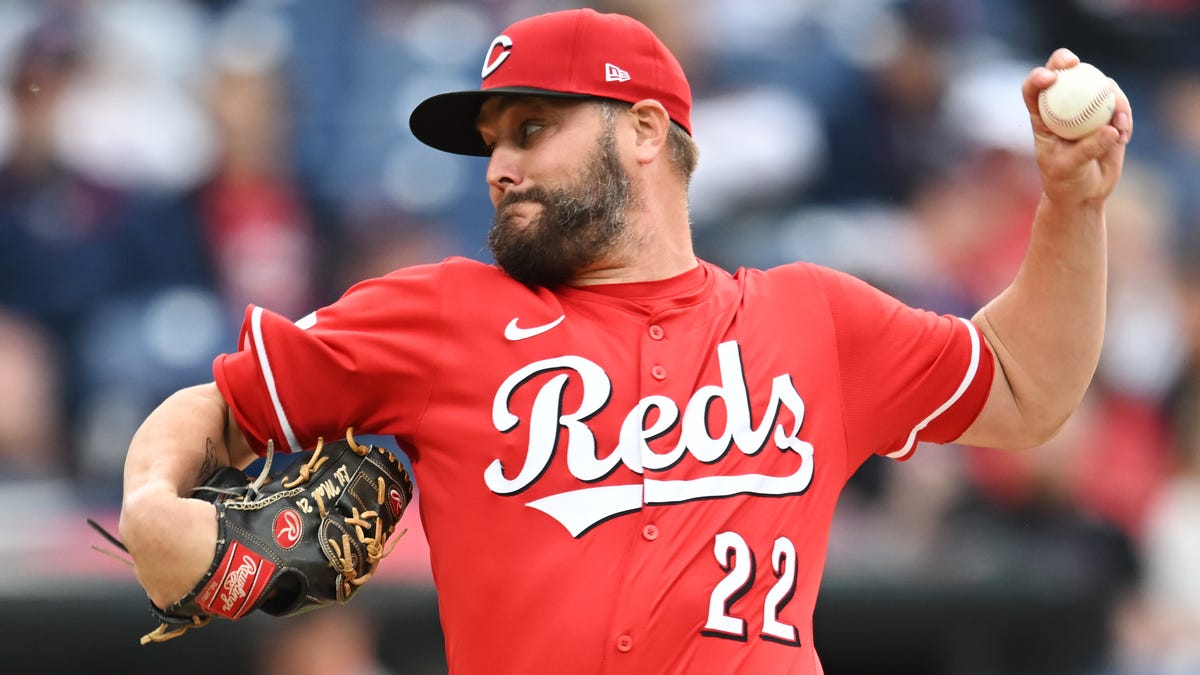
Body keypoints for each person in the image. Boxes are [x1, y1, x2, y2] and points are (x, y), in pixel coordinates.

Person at [117, 8, 1133, 674]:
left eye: (531, 129)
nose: (498, 166)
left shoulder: (813, 317)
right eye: (492, 142)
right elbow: (217, 406)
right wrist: (153, 503)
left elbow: (1024, 387)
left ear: (644, 130)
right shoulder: (435, 314)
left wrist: (1070, 210)